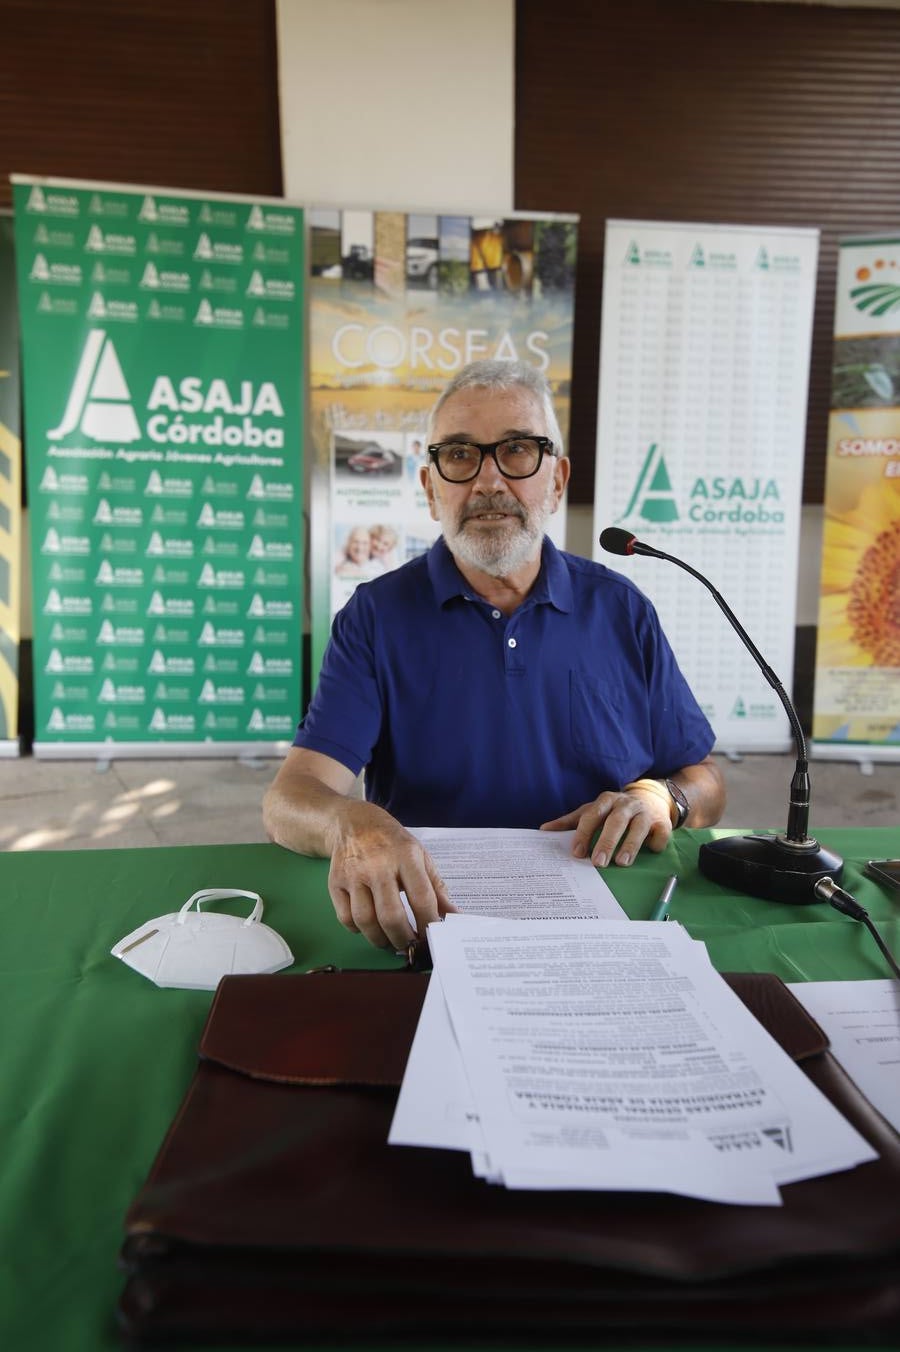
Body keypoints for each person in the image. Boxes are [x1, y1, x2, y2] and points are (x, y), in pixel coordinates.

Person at [264, 360, 726, 950]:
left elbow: (705, 781)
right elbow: (289, 800)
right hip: (436, 924)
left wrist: (664, 797)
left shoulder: (621, 609)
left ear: (556, 482)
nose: (488, 482)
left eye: (517, 451)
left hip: (613, 919)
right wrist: (351, 822)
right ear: (431, 489)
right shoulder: (375, 617)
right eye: (459, 456)